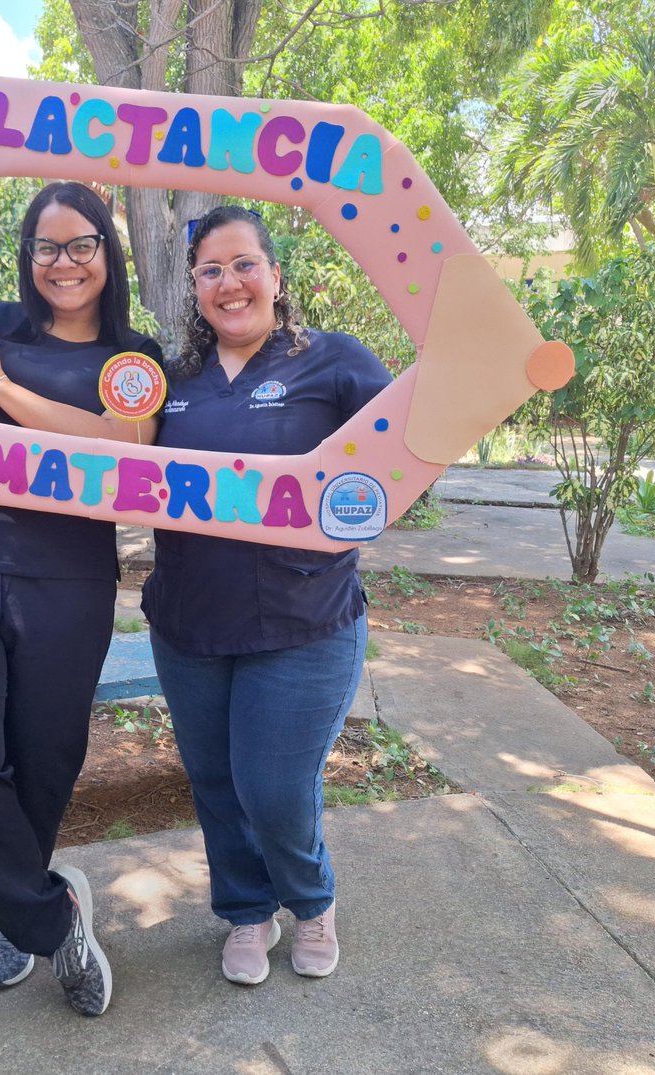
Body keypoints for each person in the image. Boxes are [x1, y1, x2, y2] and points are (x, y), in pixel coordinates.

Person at [0, 181, 162, 1016]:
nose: (64, 263)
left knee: (43, 763)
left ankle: (13, 914)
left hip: (66, 579)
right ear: (25, 255)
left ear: (107, 251)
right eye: (46, 247)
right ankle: (48, 914)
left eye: (82, 244)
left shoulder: (131, 357)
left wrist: (0, 386)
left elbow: (125, 451)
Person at [140, 205, 392, 985]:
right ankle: (247, 911)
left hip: (304, 620)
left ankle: (311, 901)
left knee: (274, 785)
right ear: (195, 288)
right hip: (189, 621)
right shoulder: (168, 380)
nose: (229, 282)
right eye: (211, 270)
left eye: (244, 263)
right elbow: (110, 468)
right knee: (216, 781)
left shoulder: (333, 361)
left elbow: (411, 448)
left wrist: (365, 508)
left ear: (276, 277)